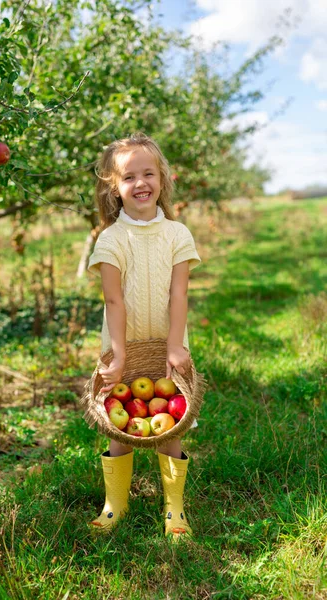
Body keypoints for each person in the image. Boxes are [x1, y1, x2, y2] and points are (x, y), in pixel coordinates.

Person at [87, 132, 201, 539]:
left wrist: (174, 344)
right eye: (129, 176)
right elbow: (114, 301)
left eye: (148, 173)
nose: (141, 183)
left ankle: (174, 508)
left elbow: (179, 292)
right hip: (124, 344)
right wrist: (117, 357)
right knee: (121, 429)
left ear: (163, 179)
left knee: (171, 426)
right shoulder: (112, 239)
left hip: (168, 342)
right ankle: (115, 503)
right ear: (114, 187)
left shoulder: (177, 234)